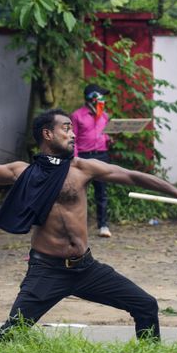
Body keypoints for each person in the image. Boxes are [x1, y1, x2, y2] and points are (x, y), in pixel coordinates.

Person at [0, 104, 177, 341]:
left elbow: (132, 176)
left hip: (86, 268)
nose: (73, 134)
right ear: (47, 134)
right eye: (66, 129)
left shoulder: (82, 169)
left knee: (146, 305)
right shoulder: (23, 171)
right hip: (47, 270)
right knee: (12, 331)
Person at [70, 83, 113, 238]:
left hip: (101, 155)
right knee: (79, 192)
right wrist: (74, 159)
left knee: (102, 192)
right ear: (93, 97)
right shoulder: (76, 115)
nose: (102, 99)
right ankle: (77, 227)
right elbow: (72, 138)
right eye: (100, 96)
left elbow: (105, 134)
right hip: (84, 156)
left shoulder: (104, 115)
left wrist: (109, 139)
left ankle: (103, 225)